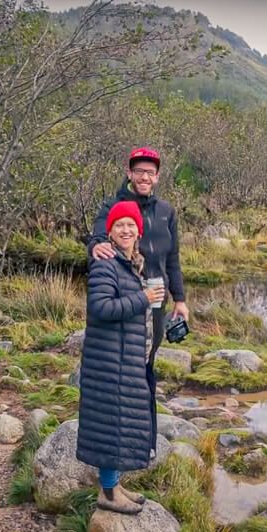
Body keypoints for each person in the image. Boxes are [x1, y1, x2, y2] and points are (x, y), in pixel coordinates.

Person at [77, 201, 166, 514]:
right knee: (111, 425)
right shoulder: (106, 264)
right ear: (110, 232)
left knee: (117, 424)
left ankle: (113, 485)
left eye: (131, 225)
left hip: (123, 359)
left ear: (139, 230)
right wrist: (143, 298)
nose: (126, 230)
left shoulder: (131, 263)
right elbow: (101, 308)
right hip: (108, 361)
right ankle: (108, 494)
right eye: (119, 225)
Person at [88, 147, 190, 367]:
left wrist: (180, 299)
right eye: (139, 171)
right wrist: (95, 246)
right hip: (127, 297)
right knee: (128, 360)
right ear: (129, 173)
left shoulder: (166, 211)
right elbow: (98, 239)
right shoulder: (113, 206)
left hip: (157, 298)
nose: (144, 177)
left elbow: (172, 258)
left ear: (157, 177)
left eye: (150, 172)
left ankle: (147, 400)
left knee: (149, 356)